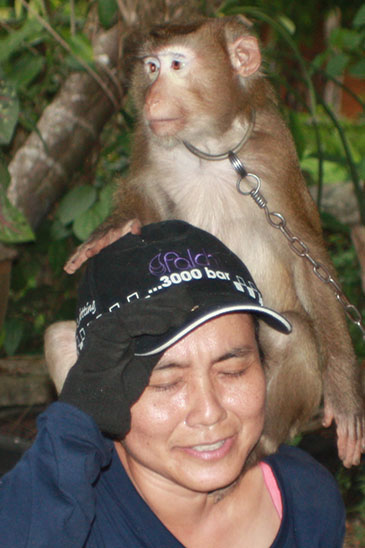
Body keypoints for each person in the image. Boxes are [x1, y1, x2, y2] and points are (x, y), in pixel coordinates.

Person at [0, 220, 345, 547]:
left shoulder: (307, 499)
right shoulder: (72, 517)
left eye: (233, 370)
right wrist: (74, 426)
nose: (209, 412)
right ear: (105, 390)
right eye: (166, 382)